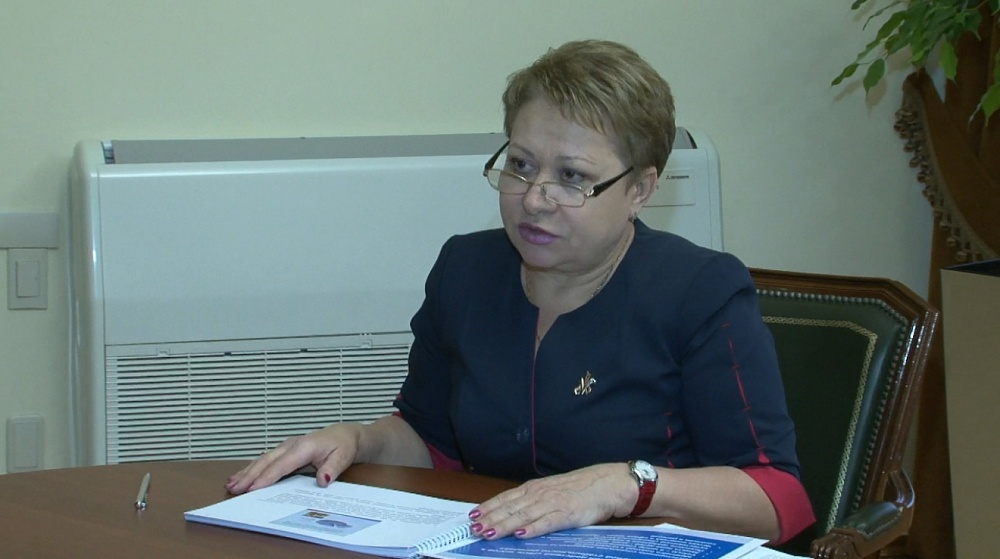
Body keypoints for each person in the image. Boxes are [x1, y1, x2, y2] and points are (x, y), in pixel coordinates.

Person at [226, 39, 815, 545]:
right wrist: (357, 439)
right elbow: (432, 440)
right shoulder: (466, 269)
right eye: (522, 166)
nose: (534, 199)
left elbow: (776, 499)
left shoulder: (701, 291)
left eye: (573, 177)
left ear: (640, 189)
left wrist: (624, 485)